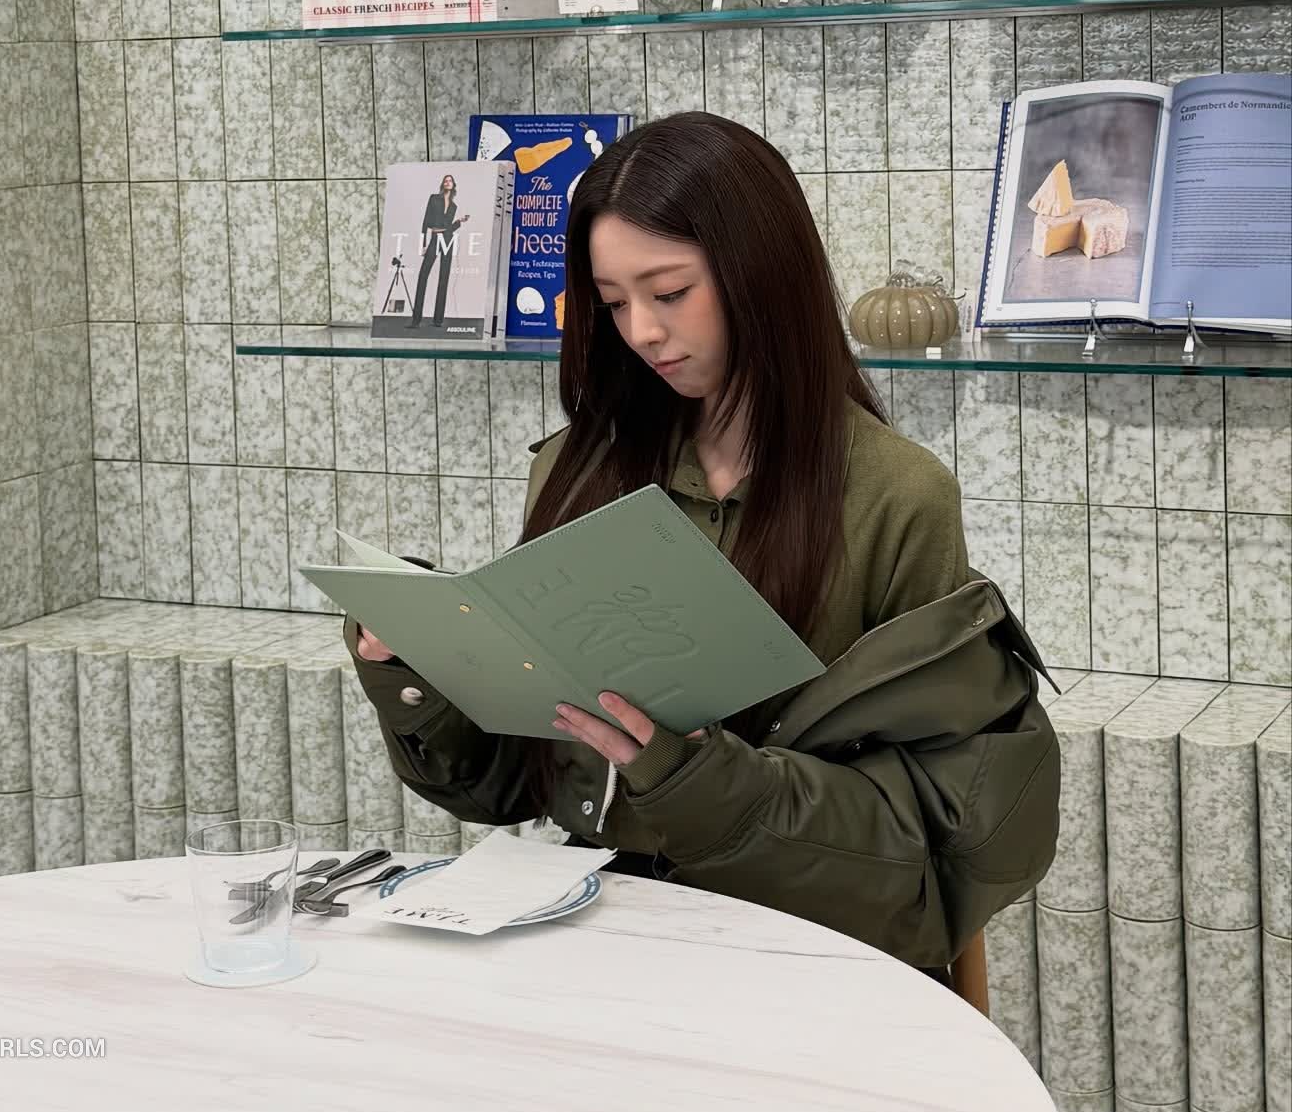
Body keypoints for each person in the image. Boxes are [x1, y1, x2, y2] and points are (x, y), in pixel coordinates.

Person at [347, 113, 1060, 971]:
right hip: (596, 923)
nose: (641, 331)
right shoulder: (576, 470)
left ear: (762, 274)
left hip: (808, 944)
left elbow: (927, 834)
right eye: (614, 302)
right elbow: (509, 786)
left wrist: (695, 778)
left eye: (669, 292)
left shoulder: (899, 496)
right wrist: (417, 673)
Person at [408, 174, 469, 330]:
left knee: (444, 277)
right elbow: (425, 221)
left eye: (450, 181)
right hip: (435, 237)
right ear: (443, 184)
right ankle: (416, 320)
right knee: (423, 275)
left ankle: (438, 320)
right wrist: (423, 244)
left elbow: (449, 228)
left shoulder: (454, 206)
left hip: (448, 239)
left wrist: (459, 222)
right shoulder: (434, 198)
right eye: (446, 180)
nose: (448, 182)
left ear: (453, 185)